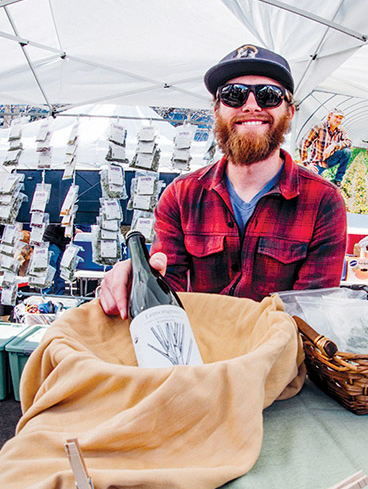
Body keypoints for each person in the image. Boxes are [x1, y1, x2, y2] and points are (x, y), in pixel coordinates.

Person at [99, 44, 347, 318]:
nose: (251, 105)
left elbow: (309, 312)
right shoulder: (181, 196)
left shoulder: (324, 201)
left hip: (278, 354)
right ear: (217, 110)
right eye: (234, 95)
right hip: (200, 353)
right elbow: (168, 292)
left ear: (289, 111)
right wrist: (134, 279)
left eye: (269, 95)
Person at [298, 110, 352, 187]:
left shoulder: (340, 129)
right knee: (307, 184)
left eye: (340, 118)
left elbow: (349, 142)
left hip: (331, 159)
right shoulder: (319, 126)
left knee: (347, 151)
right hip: (318, 162)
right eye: (336, 117)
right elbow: (303, 144)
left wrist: (334, 145)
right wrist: (306, 164)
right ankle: (318, 174)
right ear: (330, 116)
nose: (338, 120)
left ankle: (338, 180)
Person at [42, 223, 70, 295]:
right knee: (50, 269)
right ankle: (46, 293)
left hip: (62, 242)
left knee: (60, 270)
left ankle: (59, 294)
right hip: (53, 240)